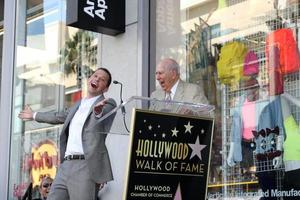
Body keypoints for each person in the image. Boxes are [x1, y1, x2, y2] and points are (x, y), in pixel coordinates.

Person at [18, 68, 117, 200]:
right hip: (65, 165)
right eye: (95, 76)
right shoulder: (77, 105)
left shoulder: (108, 103)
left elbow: (103, 115)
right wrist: (34, 115)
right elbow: (58, 116)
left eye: (102, 79)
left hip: (85, 166)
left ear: (106, 88)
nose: (97, 79)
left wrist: (97, 111)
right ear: (89, 79)